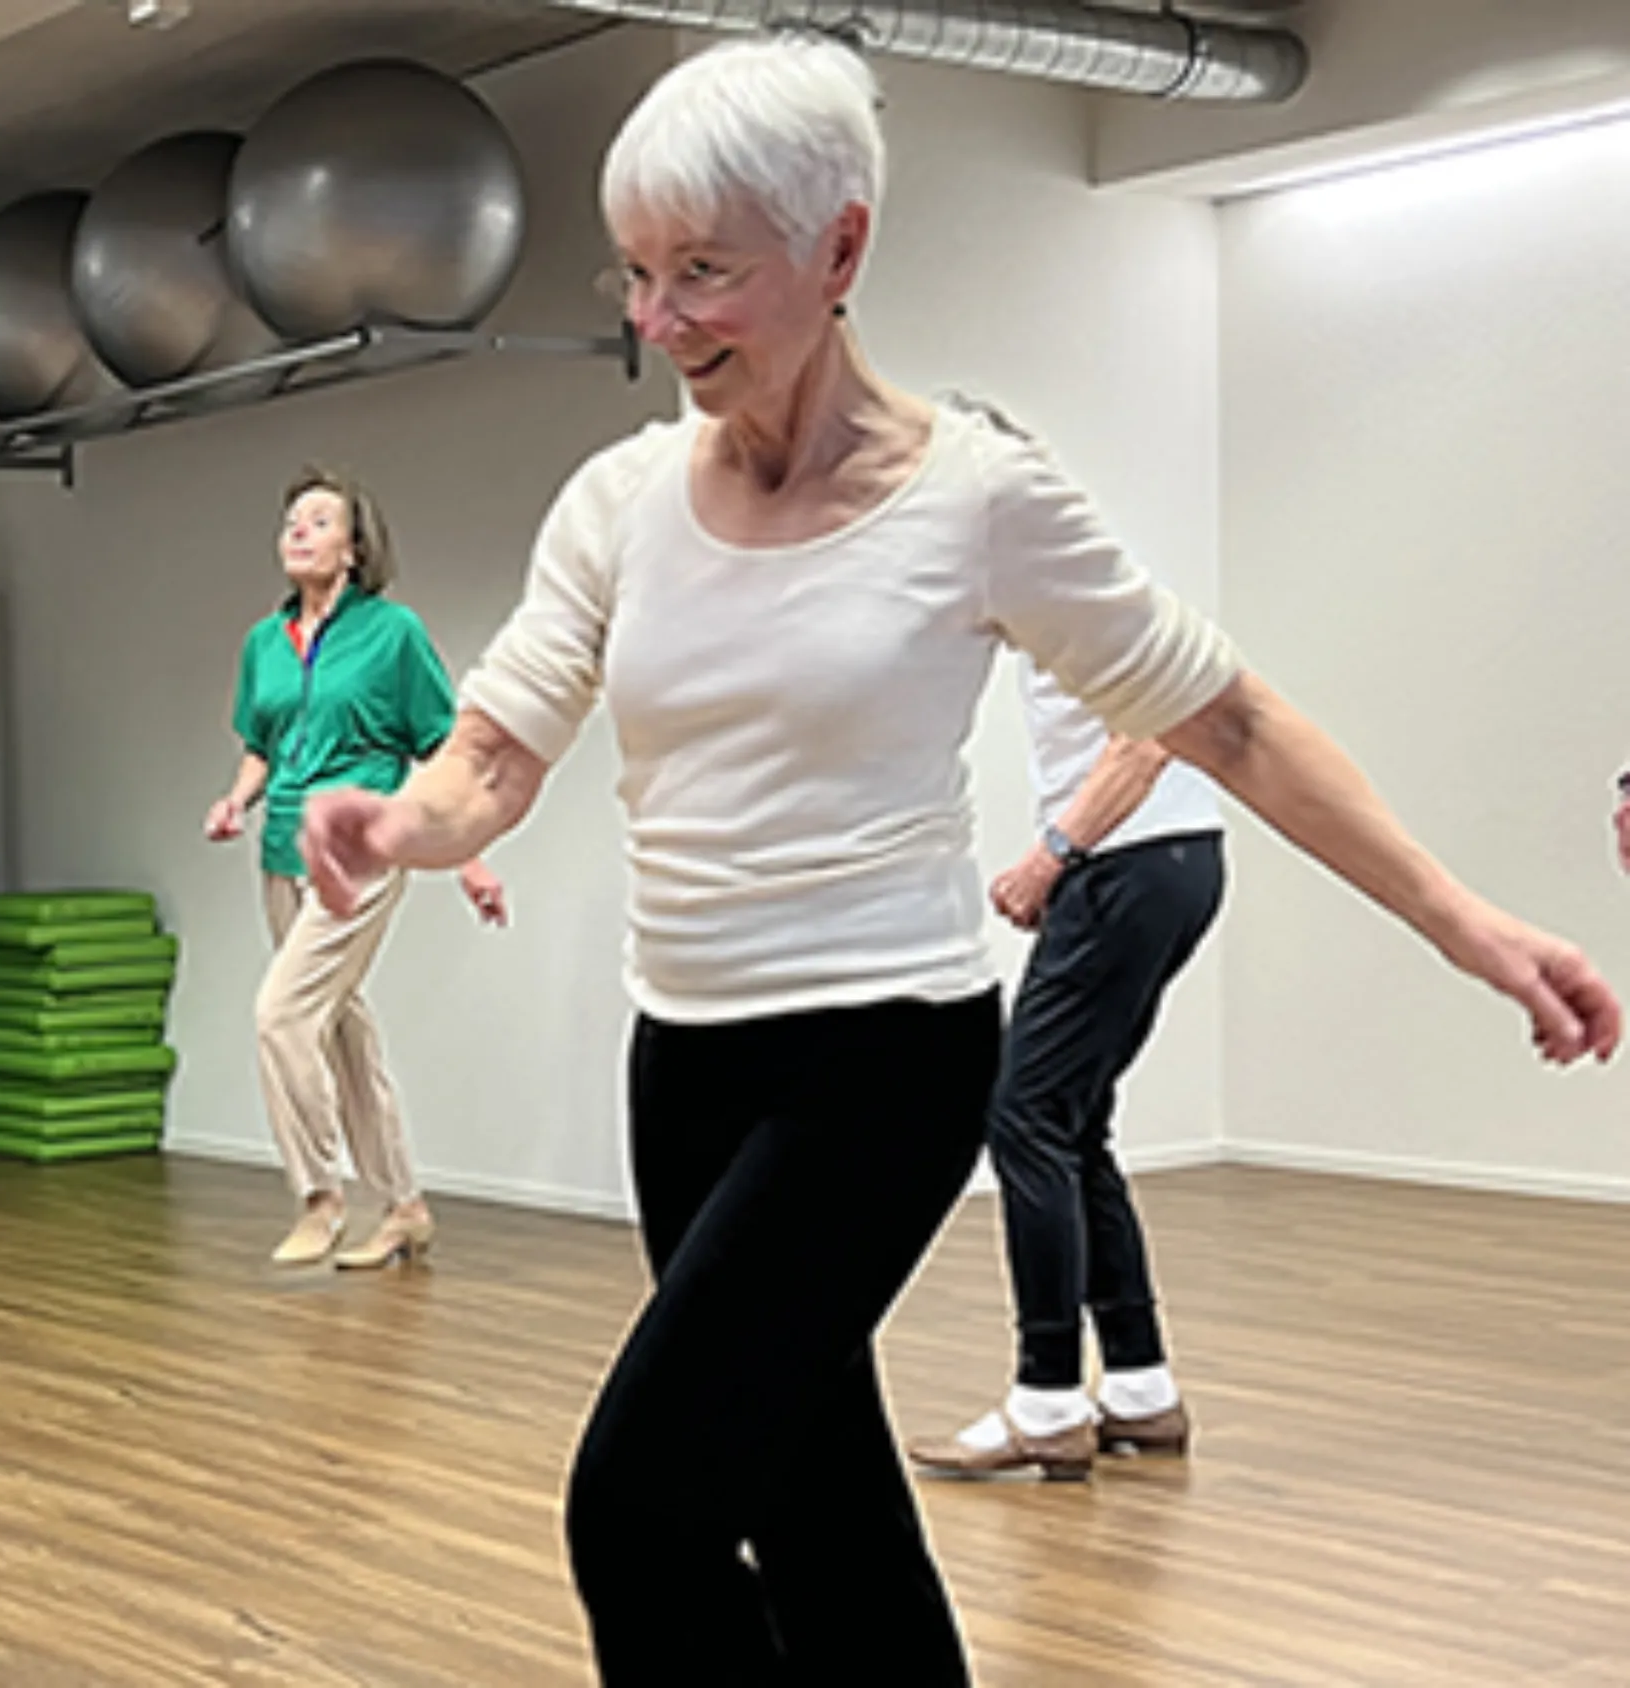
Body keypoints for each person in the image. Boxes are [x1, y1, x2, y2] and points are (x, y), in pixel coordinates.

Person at [295, 34, 1619, 1683]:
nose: (657, 322)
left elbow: (1233, 721)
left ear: (841, 247)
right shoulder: (618, 501)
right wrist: (403, 825)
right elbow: (493, 753)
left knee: (638, 1510)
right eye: (636, 272)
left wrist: (1465, 920)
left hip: (881, 1063)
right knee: (824, 1506)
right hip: (682, 1068)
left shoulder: (975, 498)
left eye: (704, 272)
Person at [907, 660, 1223, 1478]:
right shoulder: (1080, 607)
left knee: (1026, 1117)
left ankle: (1046, 1400)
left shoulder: (1076, 605)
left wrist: (1052, 854)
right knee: (1071, 1125)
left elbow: (1146, 743)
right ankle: (1140, 1387)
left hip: (1126, 864)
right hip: (1168, 864)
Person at [205, 466, 506, 1268]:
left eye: (318, 521)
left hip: (363, 853)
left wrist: (468, 855)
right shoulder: (264, 642)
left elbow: (443, 750)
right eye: (290, 521)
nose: (298, 531)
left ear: (354, 548)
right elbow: (260, 744)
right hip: (281, 855)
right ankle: (404, 1204)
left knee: (280, 1014)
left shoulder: (393, 633)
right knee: (338, 1027)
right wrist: (237, 800)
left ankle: (320, 1195)